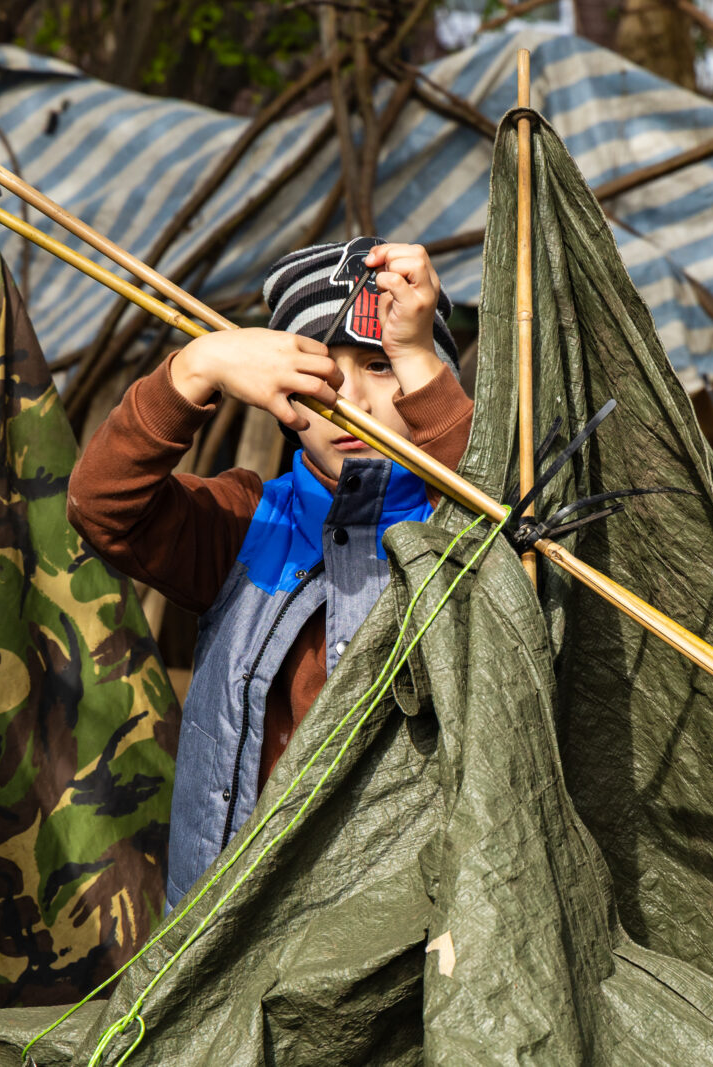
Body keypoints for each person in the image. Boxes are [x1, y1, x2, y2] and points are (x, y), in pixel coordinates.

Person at [67, 238, 472, 907]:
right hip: (232, 924)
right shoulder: (248, 524)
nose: (353, 403)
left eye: (381, 364)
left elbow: (502, 540)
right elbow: (102, 503)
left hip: (397, 934)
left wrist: (421, 356)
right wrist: (197, 367)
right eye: (320, 374)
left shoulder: (458, 519)